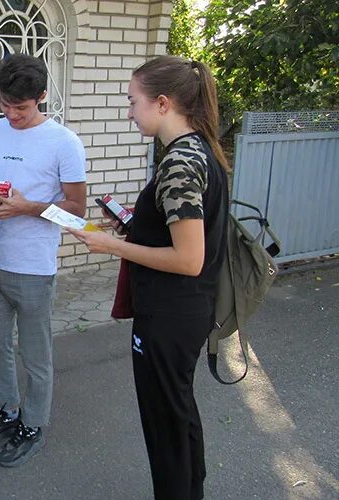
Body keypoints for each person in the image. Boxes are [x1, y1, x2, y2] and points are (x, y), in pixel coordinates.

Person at [68, 55, 229, 499]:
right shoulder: (201, 150)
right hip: (186, 311)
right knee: (177, 413)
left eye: (131, 101)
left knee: (165, 423)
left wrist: (112, 245)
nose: (128, 111)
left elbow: (188, 258)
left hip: (169, 315)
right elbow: (179, 234)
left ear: (162, 103)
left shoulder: (180, 163)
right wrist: (134, 227)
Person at [0, 54, 87, 467]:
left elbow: (76, 213)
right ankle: (9, 409)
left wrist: (26, 208)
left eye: (21, 106)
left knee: (36, 354)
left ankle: (33, 424)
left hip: (33, 267)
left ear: (42, 98)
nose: (12, 114)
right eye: (5, 104)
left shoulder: (64, 142)